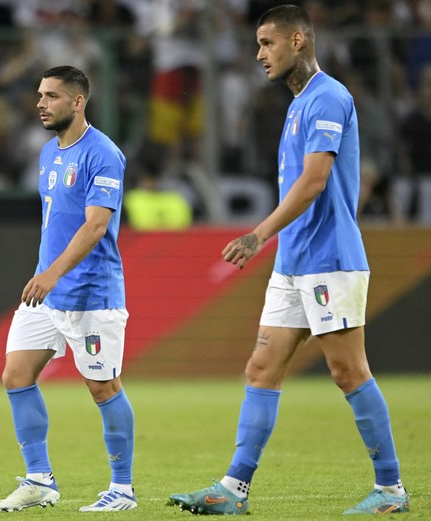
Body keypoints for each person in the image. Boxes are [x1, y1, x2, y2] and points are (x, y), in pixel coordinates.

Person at [168, 5, 410, 516]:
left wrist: (259, 234)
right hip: (295, 262)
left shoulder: (328, 96)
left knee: (348, 372)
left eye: (267, 43)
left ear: (298, 40)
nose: (259, 54)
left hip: (330, 258)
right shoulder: (298, 103)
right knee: (261, 368)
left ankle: (391, 491)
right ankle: (232, 490)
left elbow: (315, 181)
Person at [0, 66, 136, 513]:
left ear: (77, 102)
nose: (40, 103)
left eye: (51, 96)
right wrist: (47, 276)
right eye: (39, 94)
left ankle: (123, 490)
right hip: (47, 294)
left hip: (90, 293)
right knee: (16, 375)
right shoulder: (50, 152)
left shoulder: (103, 154)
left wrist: (52, 273)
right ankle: (39, 480)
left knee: (103, 388)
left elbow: (95, 226)